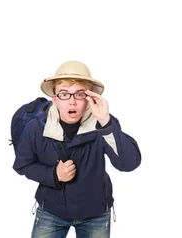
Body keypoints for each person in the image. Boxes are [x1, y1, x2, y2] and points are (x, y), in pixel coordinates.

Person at [13, 60, 142, 237]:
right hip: (51, 210)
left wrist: (106, 122)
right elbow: (22, 165)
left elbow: (129, 163)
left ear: (89, 99)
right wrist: (53, 175)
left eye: (79, 94)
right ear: (54, 99)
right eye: (64, 94)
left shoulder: (103, 123)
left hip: (95, 213)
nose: (72, 102)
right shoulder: (37, 127)